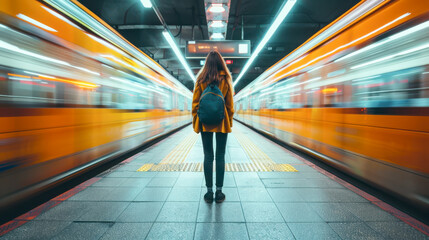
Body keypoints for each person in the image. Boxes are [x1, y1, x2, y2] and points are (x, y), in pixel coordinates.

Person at [192, 51, 234, 203]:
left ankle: (209, 192)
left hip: (205, 122)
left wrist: (197, 120)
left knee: (208, 156)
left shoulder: (201, 80)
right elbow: (230, 105)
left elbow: (195, 103)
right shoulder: (226, 79)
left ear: (207, 63)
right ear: (221, 63)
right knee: (220, 155)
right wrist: (229, 120)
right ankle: (219, 192)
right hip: (222, 122)